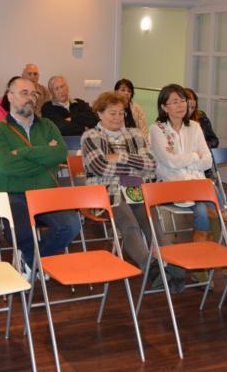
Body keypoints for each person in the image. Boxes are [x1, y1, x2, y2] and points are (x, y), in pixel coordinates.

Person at [0, 77, 80, 270]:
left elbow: (60, 153)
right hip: (13, 194)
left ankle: (32, 262)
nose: (31, 98)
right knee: (20, 231)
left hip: (46, 192)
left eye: (34, 94)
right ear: (10, 96)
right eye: (24, 93)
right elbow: (7, 165)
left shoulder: (48, 125)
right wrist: (45, 159)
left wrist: (23, 153)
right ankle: (35, 262)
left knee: (71, 225)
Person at [81, 92, 163, 271]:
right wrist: (135, 165)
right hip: (107, 193)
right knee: (129, 224)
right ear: (100, 113)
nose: (118, 117)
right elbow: (101, 168)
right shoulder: (91, 136)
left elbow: (151, 165)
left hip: (135, 189)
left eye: (121, 113)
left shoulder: (135, 134)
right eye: (112, 113)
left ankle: (171, 266)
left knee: (153, 223)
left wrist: (120, 157)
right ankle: (151, 268)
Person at [148, 84, 214, 243]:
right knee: (205, 205)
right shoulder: (157, 129)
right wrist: (194, 156)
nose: (181, 105)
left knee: (204, 202)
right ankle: (204, 243)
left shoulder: (195, 127)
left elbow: (208, 161)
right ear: (164, 107)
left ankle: (203, 241)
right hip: (170, 185)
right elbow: (170, 162)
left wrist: (183, 162)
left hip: (195, 185)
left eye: (183, 100)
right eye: (175, 102)